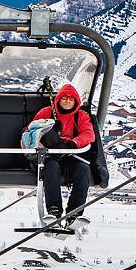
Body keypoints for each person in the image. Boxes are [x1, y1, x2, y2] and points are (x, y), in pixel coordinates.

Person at [31, 83, 95, 226]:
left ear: (76, 101)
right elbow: (31, 131)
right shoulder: (46, 112)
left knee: (83, 170)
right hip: (50, 154)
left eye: (71, 99)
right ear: (58, 99)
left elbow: (89, 134)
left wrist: (73, 143)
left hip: (70, 154)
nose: (67, 101)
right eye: (64, 98)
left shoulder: (80, 116)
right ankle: (54, 210)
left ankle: (75, 212)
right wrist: (48, 130)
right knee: (51, 168)